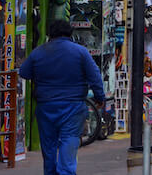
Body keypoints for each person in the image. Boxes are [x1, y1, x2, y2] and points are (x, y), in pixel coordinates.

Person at [18, 19, 105, 175]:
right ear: (70, 33)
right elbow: (95, 77)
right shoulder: (80, 52)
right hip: (73, 107)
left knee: (49, 146)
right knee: (69, 141)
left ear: (50, 34)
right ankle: (65, 172)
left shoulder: (38, 52)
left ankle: (50, 172)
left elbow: (24, 72)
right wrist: (100, 97)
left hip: (46, 107)